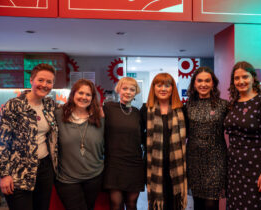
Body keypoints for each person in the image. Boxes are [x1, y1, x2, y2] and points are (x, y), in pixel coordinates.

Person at [224, 61, 261, 209]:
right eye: (237, 78)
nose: (241, 81)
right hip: (235, 168)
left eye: (245, 77)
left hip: (257, 166)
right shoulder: (233, 104)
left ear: (253, 78)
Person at [0, 63, 58, 210]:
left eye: (49, 82)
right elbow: (2, 142)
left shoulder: (50, 105)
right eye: (41, 80)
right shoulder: (13, 106)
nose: (44, 85)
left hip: (45, 169)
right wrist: (4, 174)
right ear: (31, 80)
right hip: (18, 172)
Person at [54, 79, 104, 210]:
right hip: (67, 179)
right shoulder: (59, 114)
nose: (84, 97)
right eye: (80, 93)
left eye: (88, 95)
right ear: (73, 94)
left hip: (94, 177)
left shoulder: (100, 117)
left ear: (92, 98)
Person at [140, 73, 187, 210]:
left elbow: (187, 134)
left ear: (173, 88)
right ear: (153, 88)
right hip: (155, 165)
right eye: (159, 85)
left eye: (167, 85)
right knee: (158, 204)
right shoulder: (145, 110)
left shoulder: (181, 109)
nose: (163, 89)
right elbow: (139, 135)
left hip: (176, 165)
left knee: (174, 203)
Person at [185, 67, 228, 210]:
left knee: (211, 203)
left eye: (207, 81)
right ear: (194, 84)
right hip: (194, 160)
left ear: (213, 84)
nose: (203, 84)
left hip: (216, 160)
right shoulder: (188, 105)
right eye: (200, 81)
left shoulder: (223, 105)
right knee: (197, 203)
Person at [103, 77, 145, 210]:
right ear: (119, 90)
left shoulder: (137, 113)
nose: (128, 92)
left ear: (135, 92)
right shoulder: (108, 108)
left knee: (132, 204)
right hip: (114, 163)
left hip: (134, 163)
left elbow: (143, 137)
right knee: (116, 204)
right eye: (124, 88)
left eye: (132, 89)